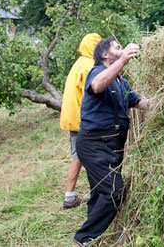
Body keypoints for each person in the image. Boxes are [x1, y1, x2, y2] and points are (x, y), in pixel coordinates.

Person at [73, 38, 150, 246]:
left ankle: (93, 238)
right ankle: (84, 238)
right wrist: (124, 60)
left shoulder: (120, 81)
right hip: (93, 144)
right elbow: (97, 86)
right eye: (117, 47)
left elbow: (139, 102)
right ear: (106, 55)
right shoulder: (97, 72)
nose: (122, 49)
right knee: (114, 191)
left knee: (99, 192)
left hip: (112, 145)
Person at [59, 33, 102, 209]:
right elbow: (93, 94)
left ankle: (70, 196)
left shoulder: (79, 63)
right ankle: (97, 194)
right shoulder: (90, 66)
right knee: (86, 157)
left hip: (72, 118)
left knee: (77, 157)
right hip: (82, 119)